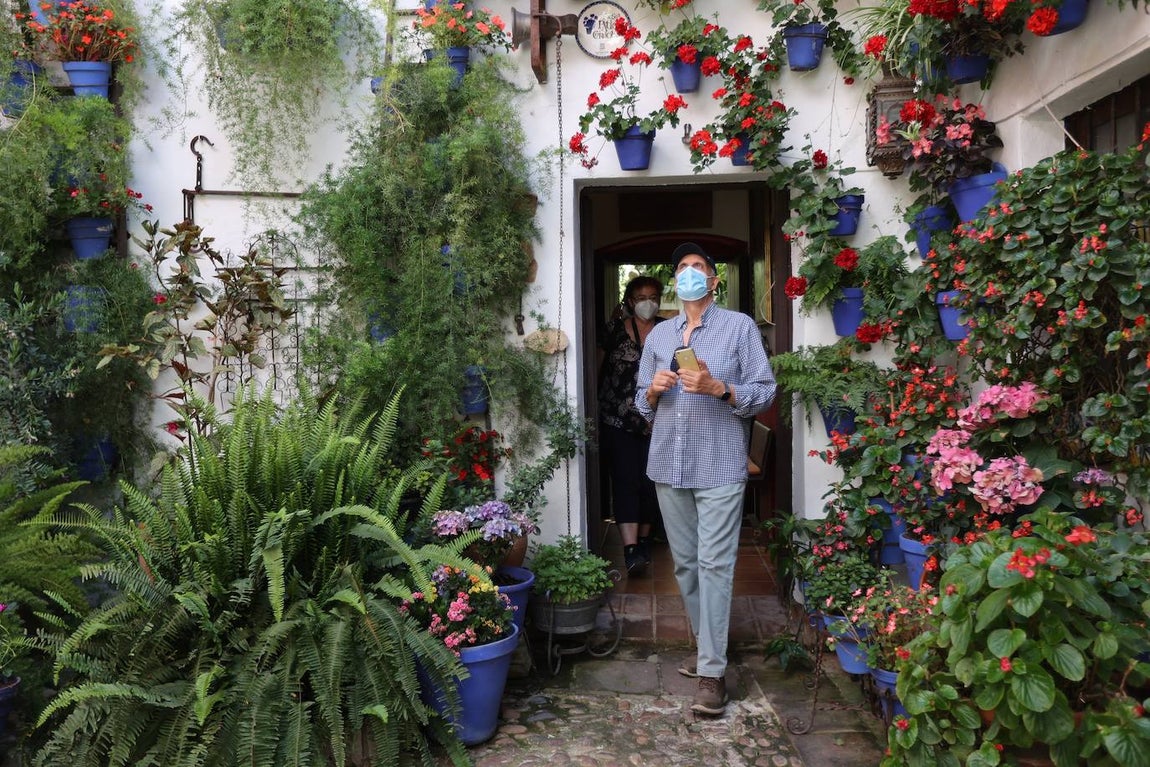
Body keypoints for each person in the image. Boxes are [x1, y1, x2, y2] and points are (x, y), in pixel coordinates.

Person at [634, 242, 776, 716]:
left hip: (719, 463)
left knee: (715, 563)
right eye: (682, 268)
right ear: (675, 281)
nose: (690, 273)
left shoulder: (739, 327)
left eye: (698, 267)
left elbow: (765, 391)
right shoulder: (659, 335)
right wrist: (653, 392)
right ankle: (706, 647)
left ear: (714, 280)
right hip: (669, 463)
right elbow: (640, 401)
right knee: (686, 566)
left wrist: (720, 388)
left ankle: (712, 672)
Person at [597, 275, 666, 575]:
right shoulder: (613, 330)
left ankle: (645, 542)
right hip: (618, 420)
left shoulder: (668, 330)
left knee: (651, 483)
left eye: (653, 297)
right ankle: (630, 549)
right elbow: (595, 368)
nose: (647, 303)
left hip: (658, 422)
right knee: (625, 481)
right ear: (629, 301)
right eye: (640, 298)